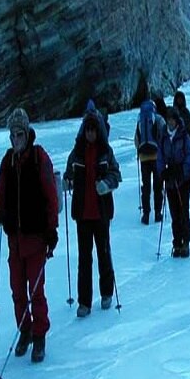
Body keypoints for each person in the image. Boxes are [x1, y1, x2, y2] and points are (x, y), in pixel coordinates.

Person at [0, 108, 59, 363]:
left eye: (19, 134)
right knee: (17, 290)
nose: (15, 139)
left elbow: (51, 196)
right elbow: (1, 191)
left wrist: (51, 229)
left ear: (27, 133)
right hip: (15, 238)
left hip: (35, 237)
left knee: (36, 290)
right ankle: (25, 329)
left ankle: (40, 335)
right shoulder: (7, 161)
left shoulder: (39, 158)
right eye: (12, 135)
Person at [63, 110, 122, 317]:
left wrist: (106, 184)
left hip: (102, 212)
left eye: (93, 130)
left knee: (104, 253)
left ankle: (106, 292)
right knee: (84, 259)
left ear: (98, 132)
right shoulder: (76, 153)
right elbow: (69, 173)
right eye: (87, 130)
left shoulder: (106, 152)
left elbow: (116, 174)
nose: (90, 134)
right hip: (82, 214)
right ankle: (84, 302)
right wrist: (66, 182)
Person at [157, 106, 190, 257]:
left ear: (176, 120)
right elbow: (160, 157)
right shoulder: (164, 137)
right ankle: (177, 241)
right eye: (168, 119)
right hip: (171, 181)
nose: (170, 122)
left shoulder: (184, 136)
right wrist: (163, 172)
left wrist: (182, 172)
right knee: (174, 213)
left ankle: (185, 241)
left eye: (172, 119)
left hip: (183, 181)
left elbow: (189, 157)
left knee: (183, 211)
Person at [135, 99, 166, 225]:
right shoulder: (158, 119)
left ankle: (146, 214)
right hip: (157, 157)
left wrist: (139, 151)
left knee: (146, 186)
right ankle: (158, 213)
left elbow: (136, 139)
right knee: (158, 186)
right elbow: (164, 136)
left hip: (144, 158)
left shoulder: (140, 119)